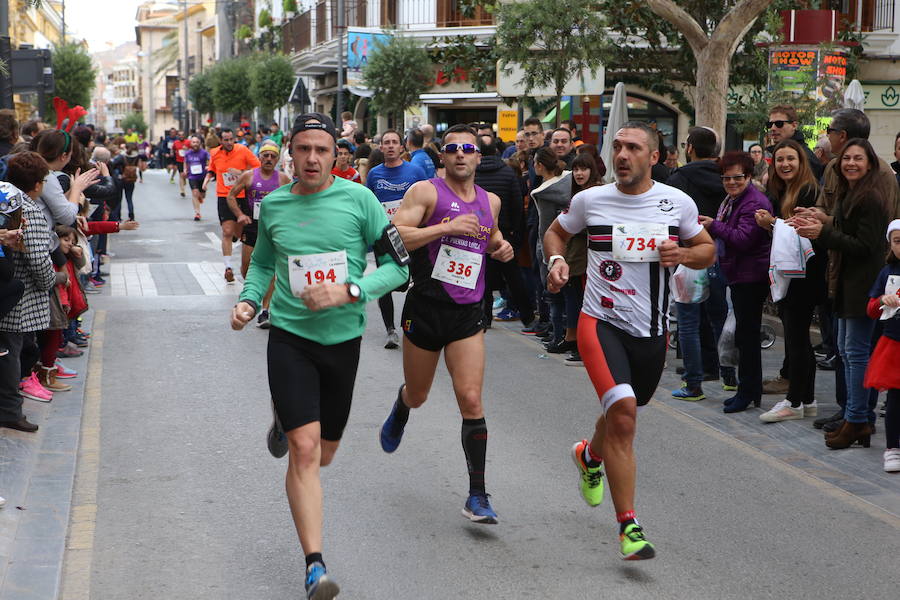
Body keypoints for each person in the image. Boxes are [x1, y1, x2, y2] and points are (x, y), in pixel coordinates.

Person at [231, 112, 408, 600]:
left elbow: (399, 267)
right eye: (303, 148)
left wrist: (351, 289)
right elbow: (264, 261)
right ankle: (314, 564)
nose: (311, 157)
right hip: (289, 337)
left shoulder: (361, 200)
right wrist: (249, 299)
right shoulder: (276, 206)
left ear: (337, 155)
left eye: (322, 149)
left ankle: (285, 416)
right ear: (291, 152)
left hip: (342, 343)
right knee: (305, 450)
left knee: (325, 453)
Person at [542, 120, 715, 559]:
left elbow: (707, 249)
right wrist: (558, 260)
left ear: (654, 157)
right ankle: (629, 527)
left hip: (654, 332)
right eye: (617, 146)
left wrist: (684, 254)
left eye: (633, 148)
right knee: (622, 415)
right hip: (599, 323)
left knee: (623, 412)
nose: (622, 155)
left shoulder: (676, 203)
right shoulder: (590, 200)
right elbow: (556, 232)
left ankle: (588, 456)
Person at [379, 124, 515, 525]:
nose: (459, 154)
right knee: (419, 394)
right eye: (452, 148)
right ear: (443, 156)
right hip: (425, 306)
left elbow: (490, 237)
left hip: (468, 312)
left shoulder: (490, 201)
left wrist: (501, 247)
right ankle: (403, 406)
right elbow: (394, 234)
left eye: (467, 149)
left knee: (471, 399)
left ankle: (477, 495)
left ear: (478, 157)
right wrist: (444, 228)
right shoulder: (425, 192)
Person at [792, 138, 893, 449]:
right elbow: (848, 230)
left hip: (863, 283)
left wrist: (823, 233)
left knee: (857, 354)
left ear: (870, 163)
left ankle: (858, 420)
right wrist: (822, 220)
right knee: (849, 353)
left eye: (857, 159)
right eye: (846, 158)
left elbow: (866, 246)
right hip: (848, 281)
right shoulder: (853, 192)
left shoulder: (872, 197)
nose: (850, 163)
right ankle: (855, 418)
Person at [754, 140, 825, 422]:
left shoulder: (807, 190)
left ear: (801, 162)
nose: (785, 164)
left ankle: (793, 402)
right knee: (800, 341)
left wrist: (771, 224)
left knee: (796, 340)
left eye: (790, 159)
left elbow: (799, 231)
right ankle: (807, 400)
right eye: (780, 159)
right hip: (795, 272)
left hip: (804, 275)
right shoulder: (782, 190)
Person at [699, 152, 773, 413]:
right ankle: (748, 390)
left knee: (747, 336)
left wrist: (714, 226)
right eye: (727, 178)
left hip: (751, 276)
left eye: (737, 177)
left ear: (749, 176)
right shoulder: (733, 199)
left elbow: (743, 239)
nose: (731, 182)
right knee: (744, 334)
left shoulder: (753, 202)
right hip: (738, 274)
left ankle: (748, 391)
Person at [667, 127, 737, 399]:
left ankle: (693, 382)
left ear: (690, 148)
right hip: (720, 257)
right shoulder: (727, 178)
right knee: (720, 319)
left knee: (688, 322)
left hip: (689, 256)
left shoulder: (679, 178)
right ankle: (728, 377)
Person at [0, 162, 56, 432]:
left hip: (11, 289)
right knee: (11, 354)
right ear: (36, 185)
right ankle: (10, 411)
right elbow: (38, 258)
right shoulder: (27, 210)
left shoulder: (7, 198)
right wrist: (51, 281)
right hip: (16, 299)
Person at [365, 129, 426, 348]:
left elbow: (429, 199)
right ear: (380, 147)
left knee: (413, 283)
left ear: (402, 147)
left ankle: (413, 323)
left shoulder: (416, 172)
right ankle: (390, 329)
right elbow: (368, 204)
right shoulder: (374, 174)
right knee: (385, 285)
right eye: (386, 142)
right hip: (386, 238)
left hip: (412, 235)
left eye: (394, 142)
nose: (390, 146)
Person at [226, 141, 291, 326]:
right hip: (252, 227)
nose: (269, 159)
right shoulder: (248, 176)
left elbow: (294, 200)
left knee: (269, 269)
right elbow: (231, 195)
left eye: (273, 156)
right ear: (260, 157)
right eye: (265, 156)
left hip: (273, 229)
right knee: (246, 268)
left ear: (278, 159)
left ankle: (265, 310)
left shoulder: (283, 179)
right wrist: (240, 214)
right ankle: (256, 291)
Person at [474, 133, 533, 327]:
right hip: (505, 234)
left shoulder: (473, 174)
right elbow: (517, 206)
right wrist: (516, 234)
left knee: (484, 278)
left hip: (478, 233)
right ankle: (528, 316)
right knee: (514, 278)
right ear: (497, 150)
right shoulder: (508, 173)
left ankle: (485, 317)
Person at [863, 219, 900, 472]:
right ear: (890, 244)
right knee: (896, 399)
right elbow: (870, 309)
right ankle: (892, 448)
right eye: (897, 241)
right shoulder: (888, 273)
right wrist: (882, 302)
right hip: (895, 344)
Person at [203, 129, 261, 282]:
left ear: (234, 139)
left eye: (231, 139)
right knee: (227, 232)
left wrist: (241, 172)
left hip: (242, 197)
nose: (229, 143)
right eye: (225, 140)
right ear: (220, 141)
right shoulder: (215, 152)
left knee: (238, 233)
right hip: (224, 196)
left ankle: (237, 236)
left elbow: (258, 168)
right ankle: (228, 267)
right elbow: (212, 169)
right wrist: (207, 179)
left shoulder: (243, 150)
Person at [765, 104, 823, 179]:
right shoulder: (774, 151)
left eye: (779, 124)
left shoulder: (806, 158)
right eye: (769, 124)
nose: (772, 128)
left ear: (794, 125)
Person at [183, 135, 210, 221]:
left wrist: (208, 166)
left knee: (202, 195)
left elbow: (210, 161)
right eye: (193, 142)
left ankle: (200, 197)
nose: (195, 144)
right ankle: (197, 213)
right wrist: (185, 170)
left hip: (202, 176)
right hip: (192, 176)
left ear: (200, 143)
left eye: (197, 142)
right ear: (191, 143)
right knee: (195, 193)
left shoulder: (204, 153)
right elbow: (185, 162)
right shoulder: (188, 153)